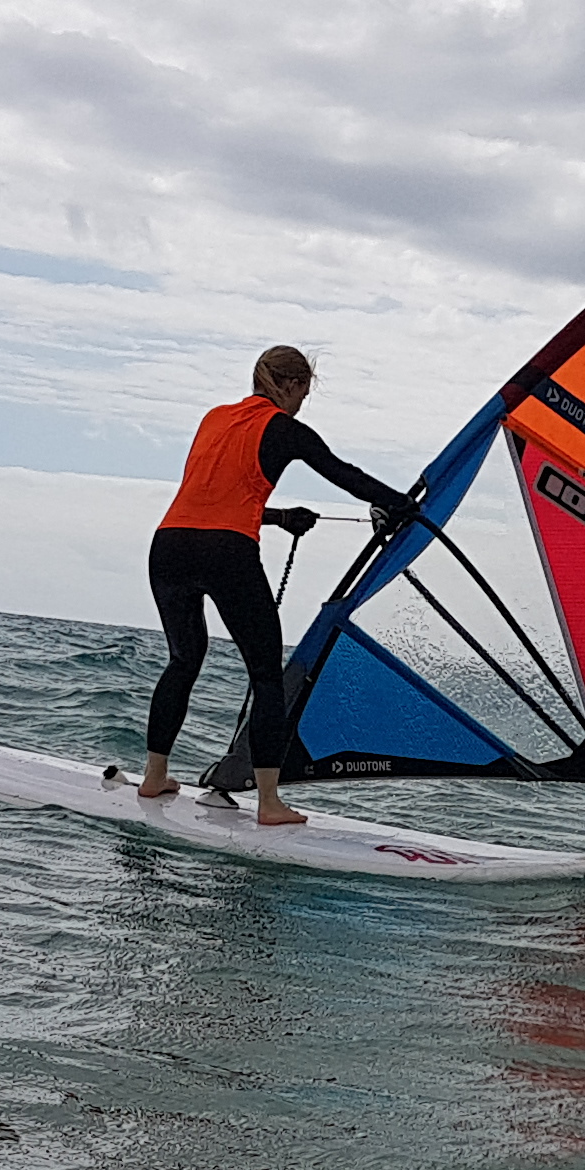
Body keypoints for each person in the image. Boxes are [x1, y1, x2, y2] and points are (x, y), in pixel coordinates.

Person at [137, 345, 411, 824]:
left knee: (184, 659)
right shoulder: (284, 428)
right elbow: (343, 474)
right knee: (266, 677)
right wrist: (404, 506)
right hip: (227, 553)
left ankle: (154, 776)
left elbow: (213, 500)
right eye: (303, 393)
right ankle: (268, 803)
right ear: (291, 385)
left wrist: (281, 517)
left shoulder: (214, 419)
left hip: (169, 545)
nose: (301, 403)